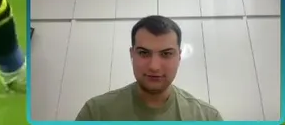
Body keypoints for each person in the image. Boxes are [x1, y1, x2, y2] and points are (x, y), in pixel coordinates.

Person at [76, 16, 223, 121]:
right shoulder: (95, 113)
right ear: (132, 54)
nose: (154, 67)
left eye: (166, 54)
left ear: (179, 57)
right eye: (143, 53)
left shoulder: (207, 118)